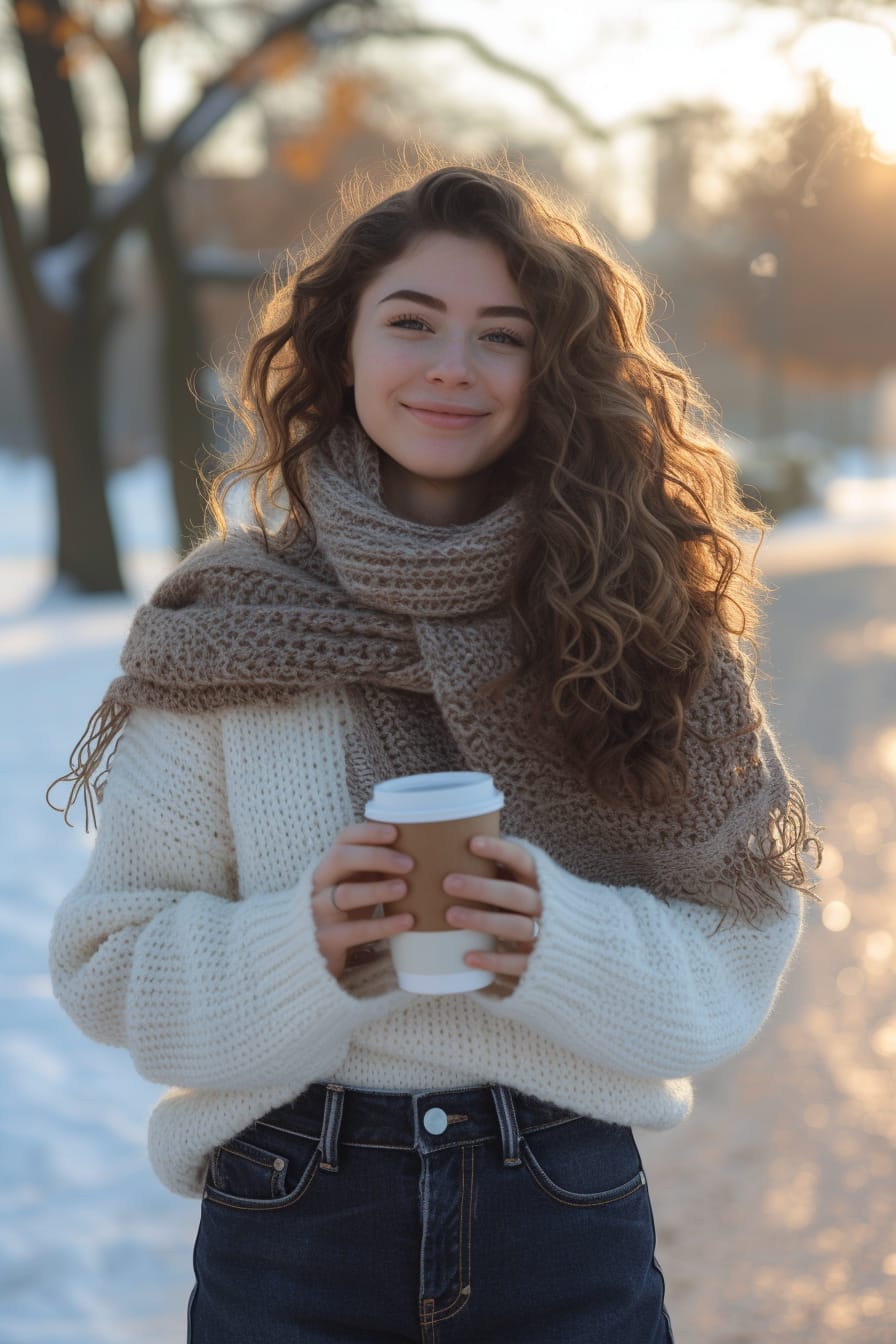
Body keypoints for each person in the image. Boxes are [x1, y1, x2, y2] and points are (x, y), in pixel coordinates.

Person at [48, 157, 820, 1344]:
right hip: (289, 1209)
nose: (453, 366)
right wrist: (301, 945)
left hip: (561, 1206)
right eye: (412, 322)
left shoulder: (639, 622)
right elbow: (108, 969)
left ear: (548, 370)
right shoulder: (231, 621)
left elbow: (734, 957)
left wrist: (553, 942)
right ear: (341, 346)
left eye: (500, 335)